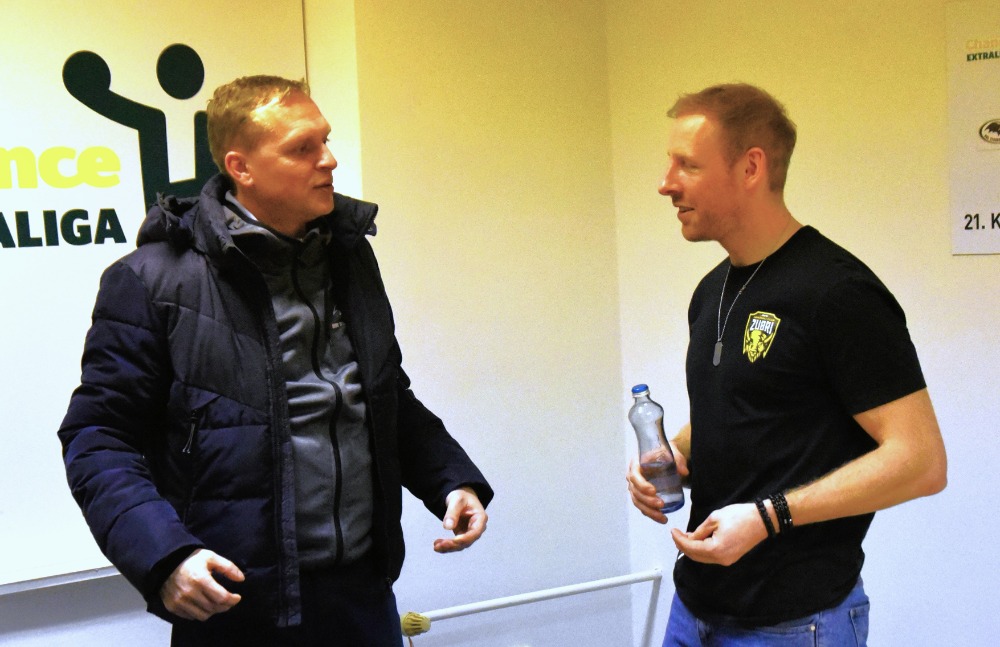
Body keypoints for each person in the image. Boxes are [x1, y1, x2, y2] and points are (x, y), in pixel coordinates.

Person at [59, 75, 494, 646]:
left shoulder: (350, 257)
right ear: (241, 167)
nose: (329, 160)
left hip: (362, 595)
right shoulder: (151, 281)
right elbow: (98, 439)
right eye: (302, 148)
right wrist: (165, 557)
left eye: (325, 140)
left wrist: (451, 480)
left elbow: (383, 395)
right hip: (235, 604)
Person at [626, 83, 947, 646]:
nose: (666, 183)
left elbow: (921, 461)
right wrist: (675, 455)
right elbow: (748, 404)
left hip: (796, 624)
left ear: (751, 167)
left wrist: (769, 515)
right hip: (694, 609)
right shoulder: (712, 291)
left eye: (688, 165)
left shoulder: (838, 292)